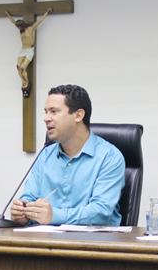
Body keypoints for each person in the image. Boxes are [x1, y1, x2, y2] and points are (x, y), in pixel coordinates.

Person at [10, 84, 124, 226]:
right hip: (43, 242)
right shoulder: (45, 155)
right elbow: (29, 196)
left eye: (53, 111)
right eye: (45, 112)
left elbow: (100, 213)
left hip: (92, 244)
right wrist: (23, 210)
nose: (46, 118)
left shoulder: (109, 156)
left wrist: (54, 215)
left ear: (78, 115)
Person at [5, 9, 52, 96]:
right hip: (23, 50)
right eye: (18, 27)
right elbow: (13, 21)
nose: (19, 28)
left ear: (23, 25)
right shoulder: (20, 30)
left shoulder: (30, 29)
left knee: (23, 68)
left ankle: (26, 82)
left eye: (20, 27)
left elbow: (39, 21)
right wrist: (7, 14)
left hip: (29, 51)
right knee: (18, 67)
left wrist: (46, 13)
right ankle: (23, 81)